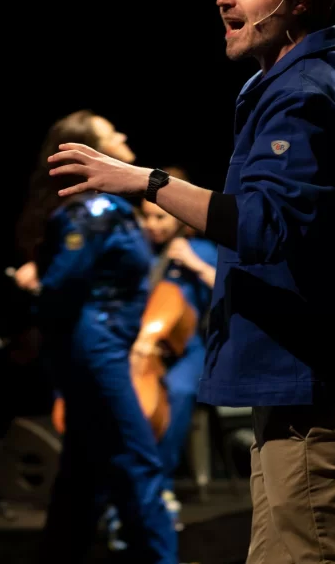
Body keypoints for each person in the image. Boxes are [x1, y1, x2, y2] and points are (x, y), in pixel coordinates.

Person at [45, 0, 335, 564]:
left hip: (310, 381)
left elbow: (263, 226)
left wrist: (145, 181)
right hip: (334, 372)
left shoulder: (300, 94)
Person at [15, 110, 175, 564]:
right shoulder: (95, 212)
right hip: (97, 345)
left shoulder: (110, 208)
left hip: (102, 342)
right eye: (111, 132)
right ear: (94, 150)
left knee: (83, 468)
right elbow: (62, 285)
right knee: (138, 459)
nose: (122, 134)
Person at [138, 167, 218, 497]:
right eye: (147, 218)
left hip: (189, 348)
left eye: (160, 218)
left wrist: (195, 265)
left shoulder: (200, 250)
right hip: (143, 348)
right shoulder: (141, 253)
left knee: (179, 391)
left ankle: (159, 481)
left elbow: (227, 288)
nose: (153, 225)